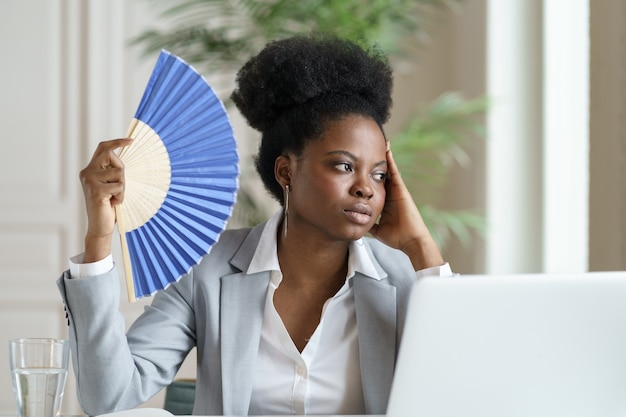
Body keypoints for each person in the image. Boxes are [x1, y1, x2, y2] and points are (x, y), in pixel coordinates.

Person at [57, 32, 455, 416]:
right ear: (286, 171)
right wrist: (99, 240)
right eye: (344, 166)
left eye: (380, 175)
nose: (365, 188)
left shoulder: (404, 280)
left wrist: (421, 246)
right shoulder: (206, 271)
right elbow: (108, 395)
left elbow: (460, 395)